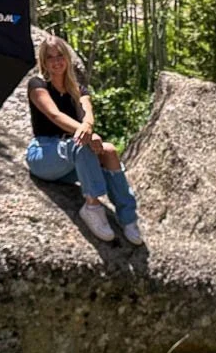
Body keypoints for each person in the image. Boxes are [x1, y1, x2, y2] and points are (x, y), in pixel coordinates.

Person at [24, 34, 143, 245]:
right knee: (81, 145)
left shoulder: (78, 89)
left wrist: (88, 127)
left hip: (73, 159)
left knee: (110, 151)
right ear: (43, 61)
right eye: (50, 57)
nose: (56, 61)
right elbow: (54, 115)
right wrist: (86, 132)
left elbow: (88, 112)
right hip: (45, 154)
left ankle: (128, 218)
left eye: (60, 55)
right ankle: (92, 207)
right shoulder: (37, 85)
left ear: (67, 58)